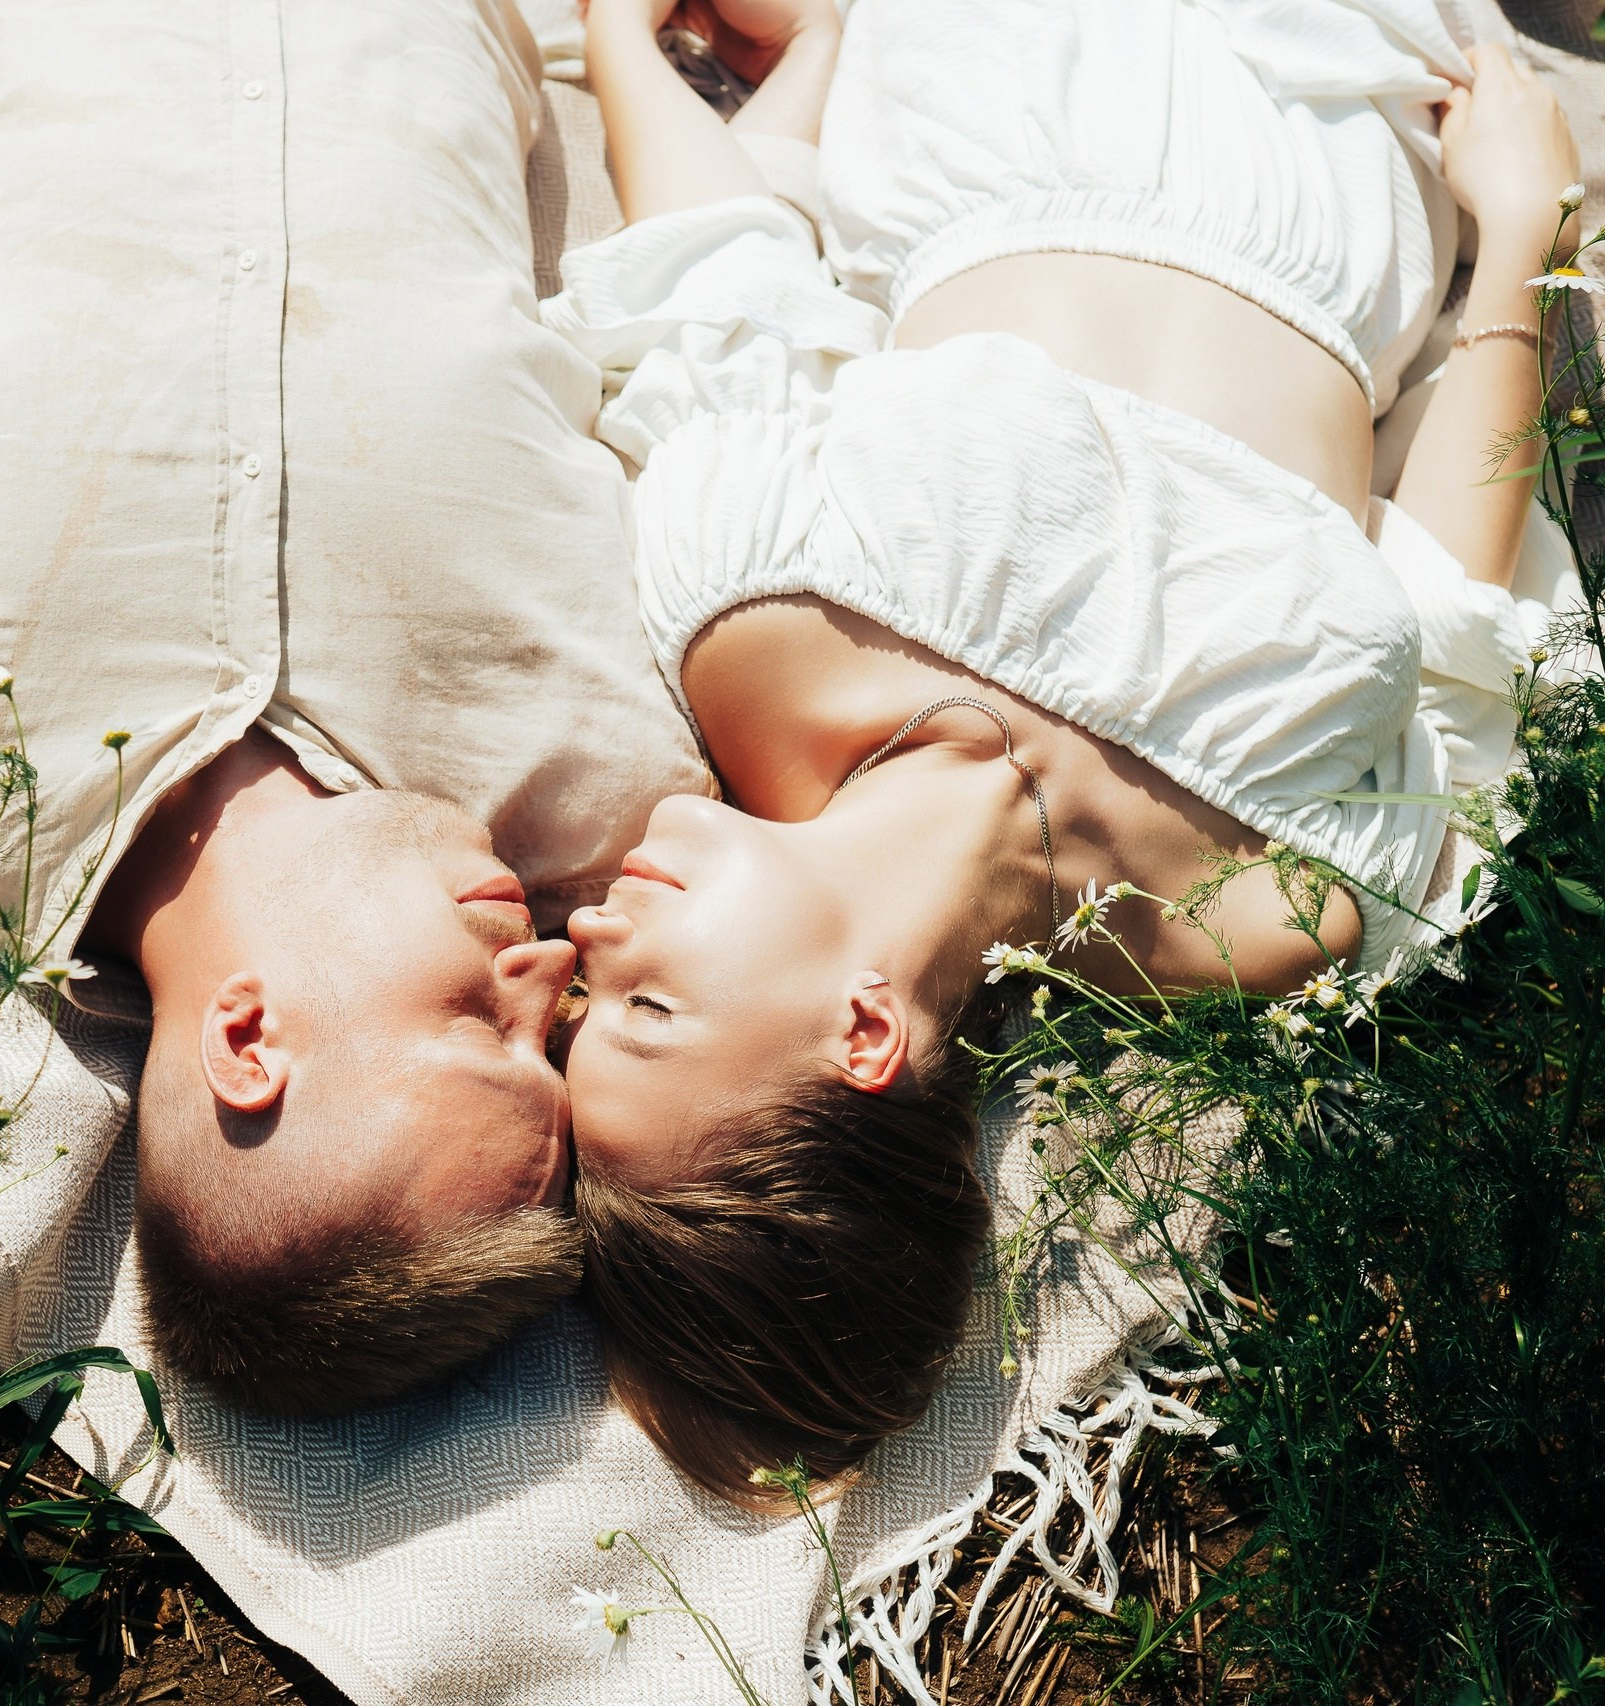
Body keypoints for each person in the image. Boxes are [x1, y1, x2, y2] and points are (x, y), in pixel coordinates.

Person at [0, 0, 711, 1414]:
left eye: (479, 1029)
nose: (554, 981)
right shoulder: (609, 778)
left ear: (249, 1041)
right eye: (550, 1041)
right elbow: (691, 345)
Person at [551, 0, 1572, 1499]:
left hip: (988, 79)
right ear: (864, 1035)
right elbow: (1457, 594)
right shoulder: (1268, 913)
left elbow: (716, 283)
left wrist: (622, 37)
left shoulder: (736, 630)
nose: (585, 926)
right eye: (640, 999)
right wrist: (1519, 225)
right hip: (1335, 134)